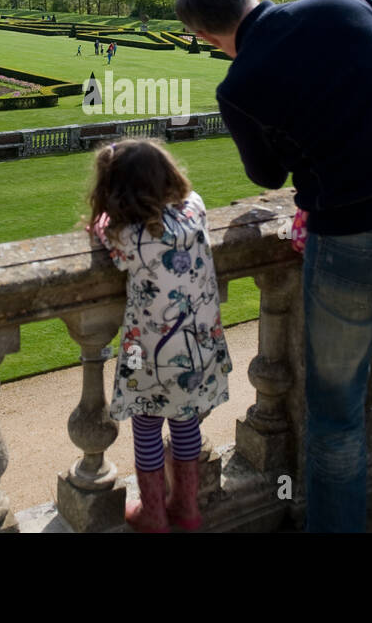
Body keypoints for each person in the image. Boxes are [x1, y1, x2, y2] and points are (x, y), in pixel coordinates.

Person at [176, 0, 372, 533]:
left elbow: (267, 171)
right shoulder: (343, 1)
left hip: (347, 241)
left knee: (335, 415)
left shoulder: (239, 85)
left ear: (205, 36)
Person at [86, 139, 232, 532]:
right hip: (199, 348)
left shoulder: (128, 236)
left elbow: (102, 228)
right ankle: (186, 507)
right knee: (186, 424)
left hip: (151, 355)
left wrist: (102, 216)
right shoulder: (195, 208)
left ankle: (153, 513)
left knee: (147, 428)